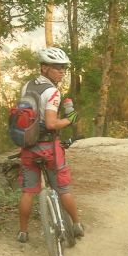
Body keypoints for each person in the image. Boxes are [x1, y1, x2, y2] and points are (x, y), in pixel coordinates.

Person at [16, 47, 84, 243]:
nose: (62, 71)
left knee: (28, 192)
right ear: (44, 68)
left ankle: (23, 232)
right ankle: (77, 225)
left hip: (28, 147)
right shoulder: (53, 92)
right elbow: (52, 123)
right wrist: (70, 120)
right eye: (57, 67)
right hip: (49, 149)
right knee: (63, 189)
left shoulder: (27, 86)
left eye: (64, 68)